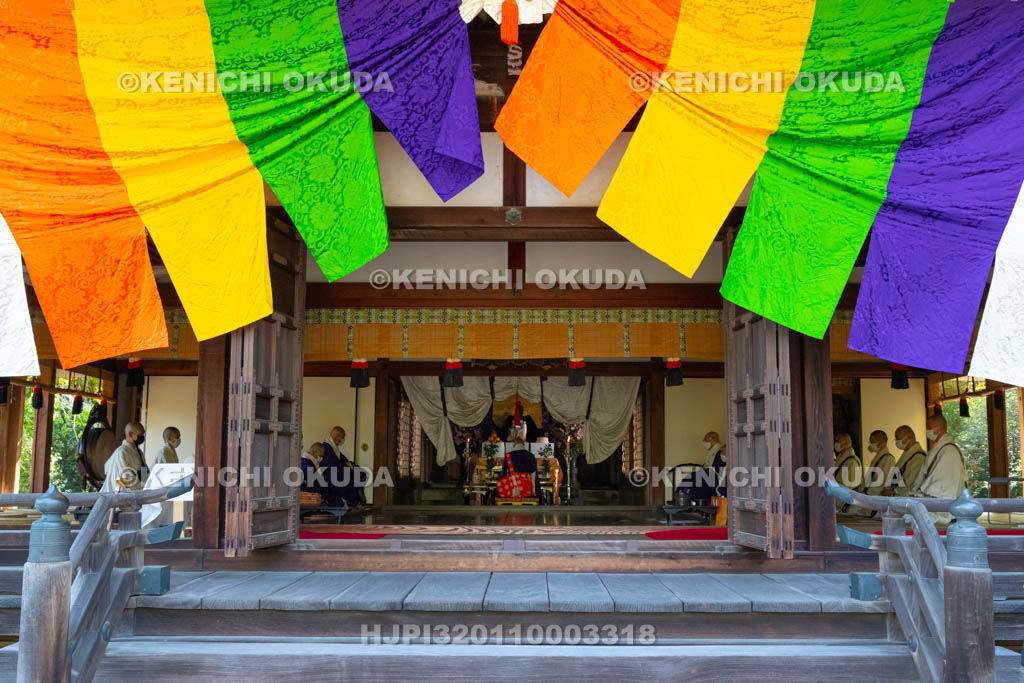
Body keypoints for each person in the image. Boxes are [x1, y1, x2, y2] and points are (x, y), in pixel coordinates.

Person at [913, 414, 967, 523]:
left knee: (912, 516)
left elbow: (942, 481)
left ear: (940, 428)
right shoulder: (939, 448)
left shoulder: (949, 451)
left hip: (946, 504)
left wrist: (921, 492)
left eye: (929, 428)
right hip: (932, 496)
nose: (927, 431)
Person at [321, 426, 365, 509]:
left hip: (338, 472)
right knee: (351, 479)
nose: (343, 440)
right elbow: (333, 464)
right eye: (342, 437)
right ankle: (353, 503)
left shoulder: (334, 447)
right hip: (331, 475)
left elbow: (343, 459)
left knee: (358, 472)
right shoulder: (326, 447)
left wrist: (352, 466)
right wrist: (348, 469)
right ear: (337, 436)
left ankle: (356, 500)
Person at [101, 422, 146, 492]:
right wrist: (143, 487)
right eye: (140, 434)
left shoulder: (139, 452)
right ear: (130, 434)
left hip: (137, 491)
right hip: (120, 492)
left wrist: (146, 484)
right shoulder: (121, 452)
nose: (142, 436)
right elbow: (126, 479)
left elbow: (144, 471)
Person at [890, 425, 926, 495]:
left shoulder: (919, 456)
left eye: (898, 438)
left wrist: (894, 492)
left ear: (909, 437)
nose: (896, 441)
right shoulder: (907, 454)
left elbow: (911, 482)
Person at [833, 433, 862, 511]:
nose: (836, 444)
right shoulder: (840, 458)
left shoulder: (852, 462)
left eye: (838, 441)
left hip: (844, 503)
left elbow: (850, 486)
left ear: (846, 443)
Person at [864, 430, 896, 496]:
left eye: (872, 442)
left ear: (881, 442)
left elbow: (883, 483)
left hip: (875, 496)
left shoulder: (888, 459)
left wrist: (867, 494)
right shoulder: (877, 458)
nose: (870, 445)